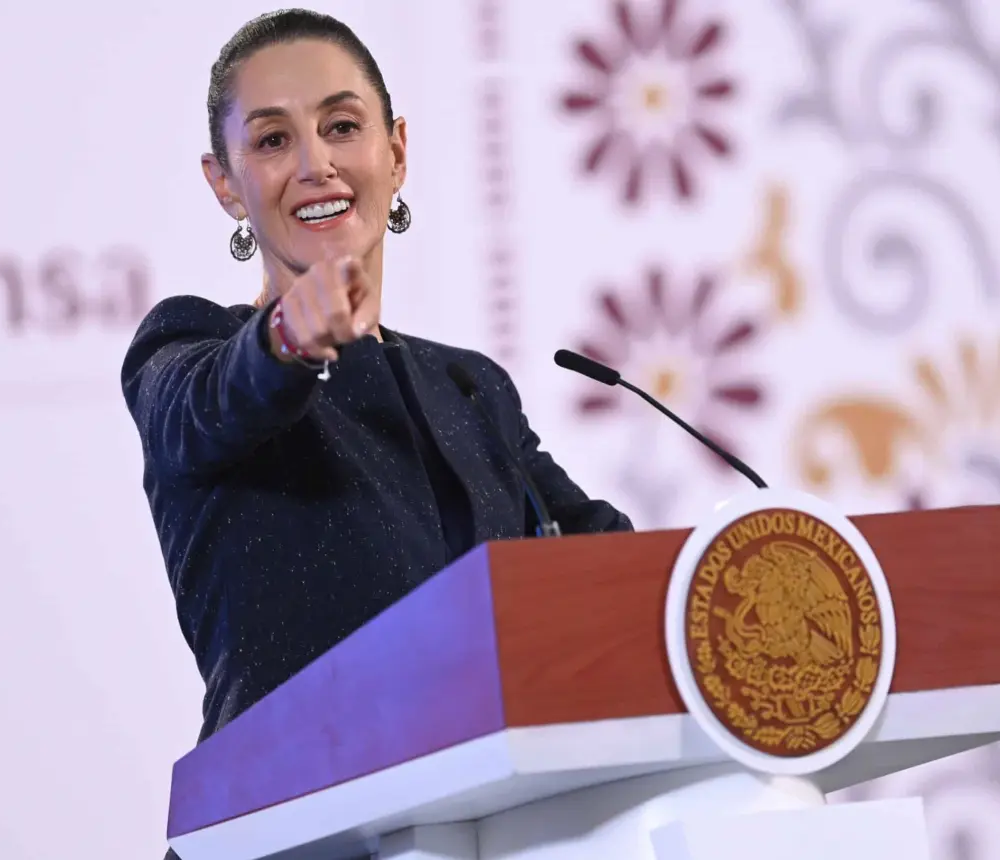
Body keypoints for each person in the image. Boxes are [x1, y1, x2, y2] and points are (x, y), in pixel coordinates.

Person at [121, 9, 633, 855]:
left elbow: (600, 561)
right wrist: (290, 338)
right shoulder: (189, 347)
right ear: (226, 182)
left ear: (395, 151)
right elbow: (210, 405)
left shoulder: (469, 386)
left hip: (482, 827)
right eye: (274, 141)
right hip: (289, 832)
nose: (316, 163)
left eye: (342, 126)